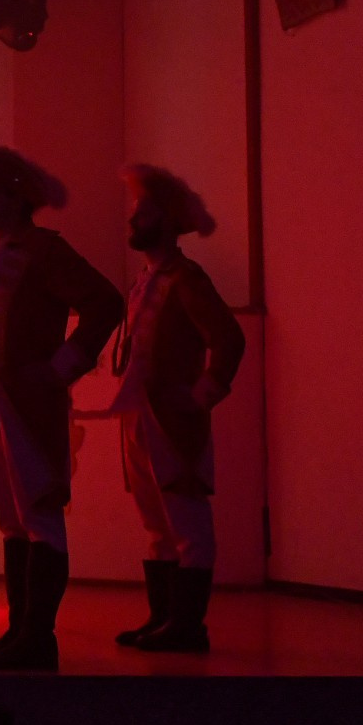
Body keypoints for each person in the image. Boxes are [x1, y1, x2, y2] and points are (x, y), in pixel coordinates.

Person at [0, 145, 125, 672]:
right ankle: (20, 632)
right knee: (12, 520)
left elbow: (105, 302)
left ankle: (37, 636)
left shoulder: (45, 250)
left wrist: (61, 366)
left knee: (39, 512)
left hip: (25, 401)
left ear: (16, 197)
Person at [108, 164, 244, 654]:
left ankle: (187, 626)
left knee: (186, 521)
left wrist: (200, 396)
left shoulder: (187, 279)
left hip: (171, 419)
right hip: (138, 414)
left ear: (166, 221)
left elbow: (228, 338)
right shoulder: (144, 280)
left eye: (143, 213)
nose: (133, 221)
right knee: (155, 524)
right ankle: (163, 619)